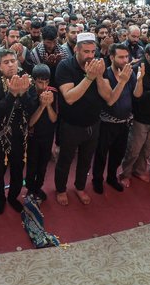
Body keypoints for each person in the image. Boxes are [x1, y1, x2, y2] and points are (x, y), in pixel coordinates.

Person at [54, 33, 110, 205]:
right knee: (65, 160)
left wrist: (99, 76)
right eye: (86, 51)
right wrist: (89, 78)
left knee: (86, 160)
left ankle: (79, 187)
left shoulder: (98, 64)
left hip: (93, 123)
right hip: (71, 124)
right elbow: (69, 97)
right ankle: (61, 189)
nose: (90, 56)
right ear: (76, 49)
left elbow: (107, 96)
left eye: (93, 51)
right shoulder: (65, 66)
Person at [0, 49, 33, 214]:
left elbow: (31, 108)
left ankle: (13, 197)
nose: (11, 65)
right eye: (6, 62)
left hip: (20, 134)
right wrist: (12, 94)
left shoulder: (25, 79)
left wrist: (24, 93)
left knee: (18, 169)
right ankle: (0, 199)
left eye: (13, 61)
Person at [92, 43, 143, 194]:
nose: (125, 60)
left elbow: (137, 95)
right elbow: (110, 100)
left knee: (118, 153)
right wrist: (122, 81)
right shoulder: (105, 74)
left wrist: (140, 80)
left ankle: (112, 177)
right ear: (112, 57)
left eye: (126, 56)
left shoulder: (130, 73)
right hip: (107, 123)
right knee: (102, 153)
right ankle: (97, 180)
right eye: (121, 57)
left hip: (124, 122)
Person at [25, 64, 58, 202]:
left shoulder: (52, 93)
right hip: (33, 137)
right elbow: (31, 122)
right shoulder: (29, 94)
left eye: (46, 82)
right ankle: (30, 189)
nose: (43, 86)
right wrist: (42, 105)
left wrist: (49, 105)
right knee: (32, 164)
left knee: (43, 165)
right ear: (33, 80)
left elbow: (54, 118)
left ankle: (38, 187)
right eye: (40, 82)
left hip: (48, 135)